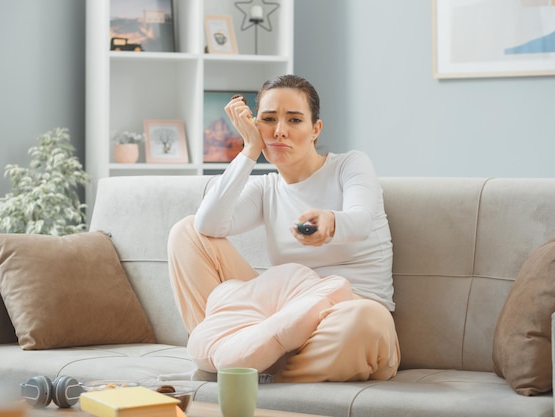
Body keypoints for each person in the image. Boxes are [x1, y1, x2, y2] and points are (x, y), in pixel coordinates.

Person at [167, 74, 399, 382]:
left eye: (294, 120)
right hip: (279, 317)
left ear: (315, 129)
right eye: (268, 119)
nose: (279, 131)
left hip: (343, 313)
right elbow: (207, 224)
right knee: (187, 234)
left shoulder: (350, 165)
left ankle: (260, 370)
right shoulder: (267, 188)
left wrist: (331, 222)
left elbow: (362, 220)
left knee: (369, 320)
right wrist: (249, 149)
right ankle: (231, 352)